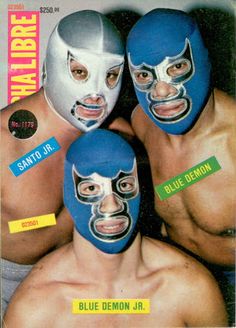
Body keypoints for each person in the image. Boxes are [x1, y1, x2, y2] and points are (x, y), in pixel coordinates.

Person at [3, 129, 227, 327]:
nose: (111, 204)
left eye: (124, 185)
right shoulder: (37, 306)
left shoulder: (191, 289)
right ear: (70, 195)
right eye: (91, 188)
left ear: (141, 189)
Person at [1, 9, 133, 314]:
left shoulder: (122, 138)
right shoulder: (6, 144)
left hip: (75, 276)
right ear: (51, 66)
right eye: (80, 72)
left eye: (111, 75)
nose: (96, 93)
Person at [127, 7, 236, 323]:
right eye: (145, 75)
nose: (161, 90)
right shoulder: (141, 123)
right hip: (172, 275)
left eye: (176, 68)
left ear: (203, 61)